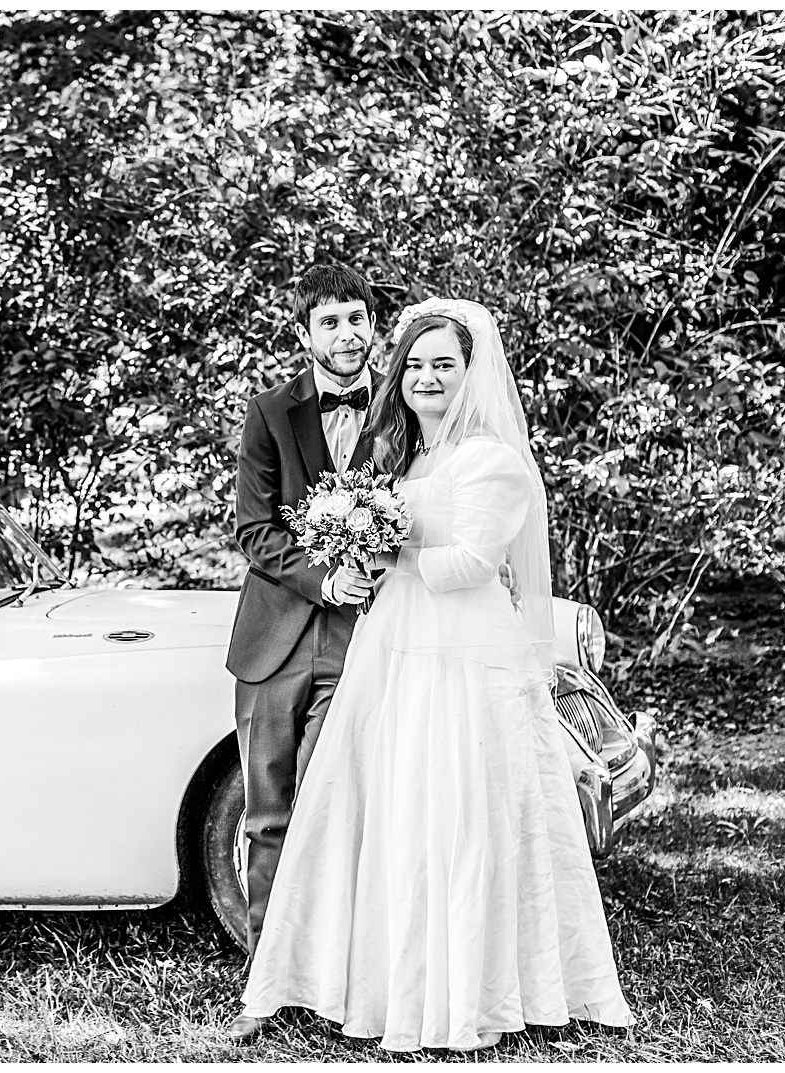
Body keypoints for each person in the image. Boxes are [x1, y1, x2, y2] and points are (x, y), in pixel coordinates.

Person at [233, 298, 635, 1052]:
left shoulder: (493, 458)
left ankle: (469, 988)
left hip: (462, 656)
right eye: (415, 363)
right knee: (396, 811)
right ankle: (381, 977)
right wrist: (356, 550)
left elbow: (474, 564)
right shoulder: (410, 455)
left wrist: (388, 555)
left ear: (470, 372)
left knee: (463, 814)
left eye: (442, 364)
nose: (425, 376)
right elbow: (262, 524)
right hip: (395, 647)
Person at [225, 263, 381, 971]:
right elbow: (256, 531)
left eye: (357, 318)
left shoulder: (400, 410)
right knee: (267, 815)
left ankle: (334, 972)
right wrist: (327, 578)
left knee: (336, 811)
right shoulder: (268, 412)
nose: (347, 333)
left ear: (374, 326)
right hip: (273, 642)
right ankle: (267, 975)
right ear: (303, 332)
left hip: (364, 643)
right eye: (331, 321)